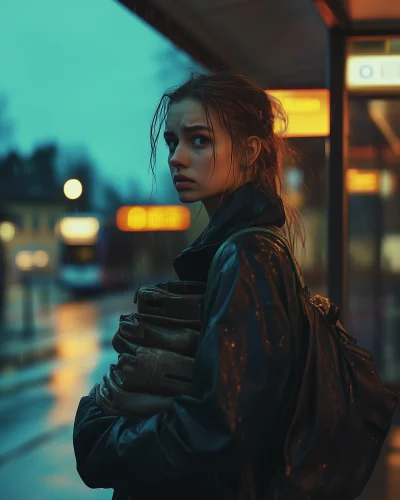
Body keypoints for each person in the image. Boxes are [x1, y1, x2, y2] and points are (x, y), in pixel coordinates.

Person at [73, 71, 308, 500]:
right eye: (172, 142)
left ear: (249, 151)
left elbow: (218, 428)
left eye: (199, 140)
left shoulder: (246, 256)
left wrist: (102, 440)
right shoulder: (243, 247)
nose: (176, 157)